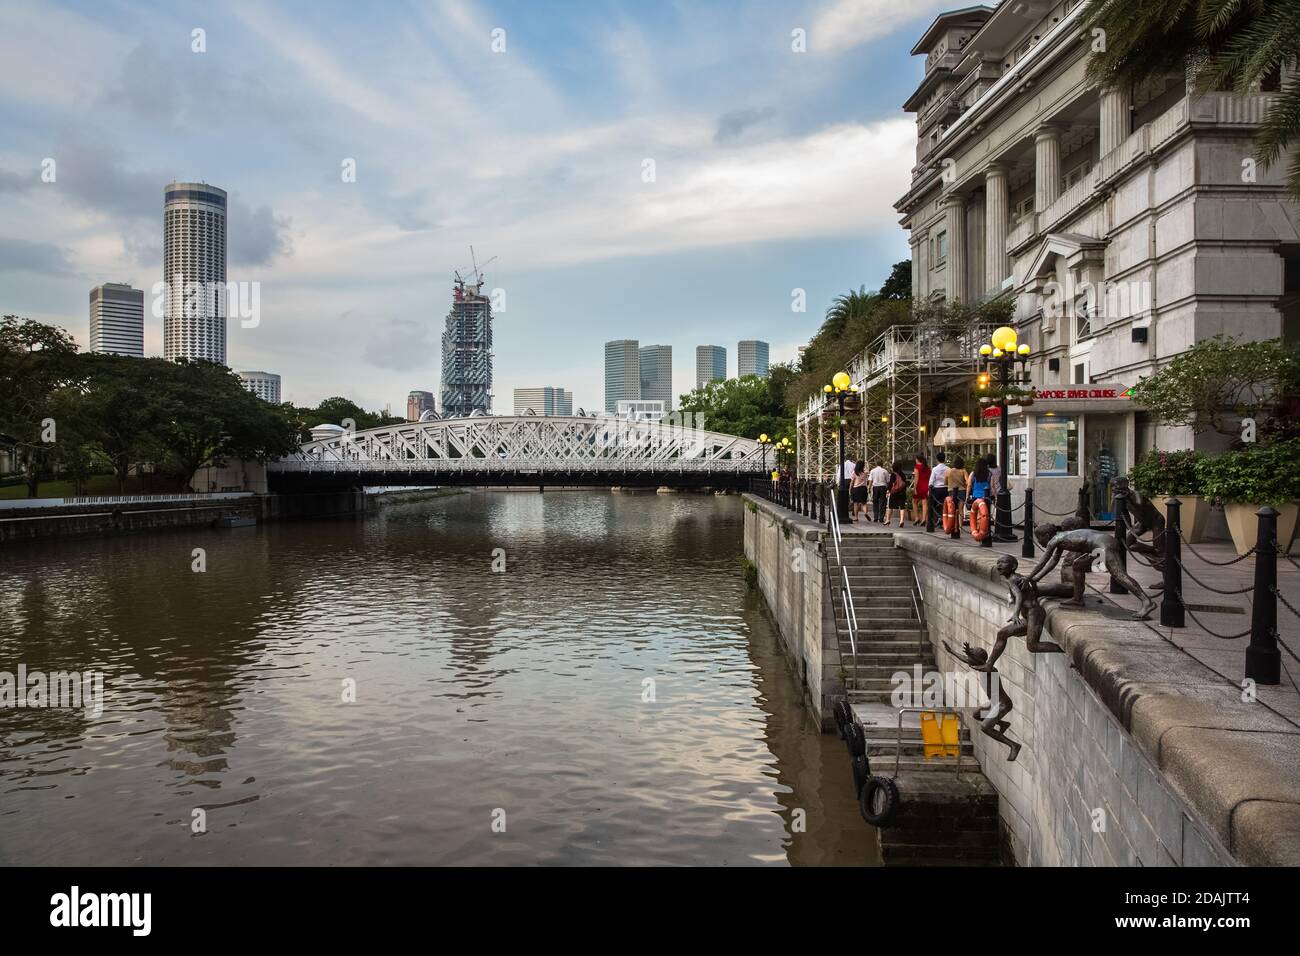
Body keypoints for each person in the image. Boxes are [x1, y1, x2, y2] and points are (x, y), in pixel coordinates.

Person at [927, 452, 949, 532]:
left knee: (933, 506)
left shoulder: (935, 469)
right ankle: (944, 521)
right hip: (946, 489)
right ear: (944, 459)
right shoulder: (948, 469)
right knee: (945, 506)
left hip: (936, 489)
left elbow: (931, 481)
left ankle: (933, 522)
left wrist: (929, 490)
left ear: (937, 459)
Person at [946, 455, 969, 532]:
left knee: (952, 509)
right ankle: (960, 527)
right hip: (962, 491)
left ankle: (952, 525)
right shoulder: (963, 471)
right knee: (960, 509)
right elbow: (968, 481)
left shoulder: (950, 471)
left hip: (952, 491)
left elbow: (945, 480)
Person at [884, 460, 908, 528]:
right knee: (902, 507)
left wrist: (888, 490)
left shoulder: (893, 474)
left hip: (894, 492)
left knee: (890, 506)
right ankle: (901, 521)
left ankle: (888, 520)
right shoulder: (903, 474)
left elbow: (891, 484)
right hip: (902, 492)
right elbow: (905, 483)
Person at [869, 459, 890, 524]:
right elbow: (888, 481)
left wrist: (869, 488)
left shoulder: (872, 471)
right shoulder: (885, 471)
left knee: (875, 502)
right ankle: (881, 517)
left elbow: (870, 480)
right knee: (882, 502)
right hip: (883, 487)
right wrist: (888, 489)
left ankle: (875, 517)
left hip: (875, 487)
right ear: (882, 464)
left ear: (876, 463)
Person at [912, 453, 930, 528]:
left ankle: (916, 518)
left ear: (917, 459)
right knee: (924, 503)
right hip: (926, 486)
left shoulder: (917, 467)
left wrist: (915, 488)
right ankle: (924, 519)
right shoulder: (927, 467)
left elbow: (916, 478)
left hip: (919, 486)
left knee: (914, 501)